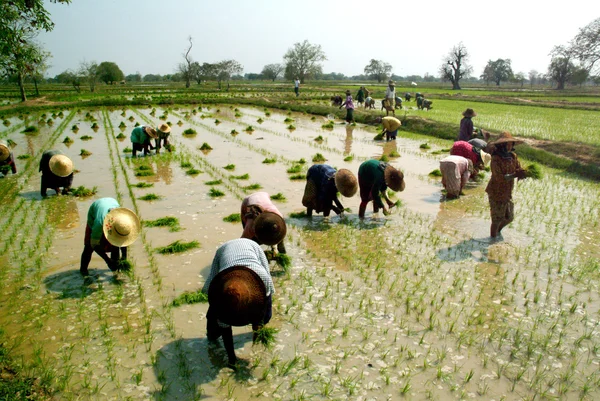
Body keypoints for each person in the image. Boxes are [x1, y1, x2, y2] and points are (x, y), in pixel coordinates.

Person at [203, 238, 274, 367]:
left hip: (252, 248)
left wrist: (257, 338)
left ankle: (256, 341)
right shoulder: (219, 287)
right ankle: (211, 332)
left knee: (264, 318)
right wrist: (232, 359)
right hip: (225, 250)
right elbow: (208, 289)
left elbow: (264, 305)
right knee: (212, 335)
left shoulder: (262, 279)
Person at [80, 197, 140, 276]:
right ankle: (83, 271)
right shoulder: (99, 223)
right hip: (95, 212)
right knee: (88, 247)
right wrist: (108, 260)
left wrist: (124, 258)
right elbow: (93, 244)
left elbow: (123, 241)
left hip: (111, 203)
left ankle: (115, 271)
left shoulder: (124, 222)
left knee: (115, 244)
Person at [485, 132, 528, 238]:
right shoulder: (495, 159)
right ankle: (492, 240)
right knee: (496, 220)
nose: (509, 146)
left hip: (507, 192)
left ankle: (497, 233)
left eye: (510, 144)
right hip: (496, 191)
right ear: (501, 146)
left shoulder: (513, 156)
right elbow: (499, 177)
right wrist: (514, 175)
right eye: (506, 144)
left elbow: (518, 168)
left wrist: (523, 173)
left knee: (509, 218)